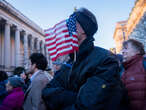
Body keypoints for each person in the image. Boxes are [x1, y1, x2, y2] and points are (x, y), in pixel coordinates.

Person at [42, 7, 127, 110]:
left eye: (71, 23)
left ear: (83, 29)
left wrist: (63, 98)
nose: (66, 27)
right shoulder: (69, 63)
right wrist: (77, 97)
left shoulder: (105, 60)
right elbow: (46, 92)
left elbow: (87, 106)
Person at [121, 39, 146, 110]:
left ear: (137, 51)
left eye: (126, 48)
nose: (122, 52)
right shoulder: (123, 71)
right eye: (122, 49)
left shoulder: (144, 64)